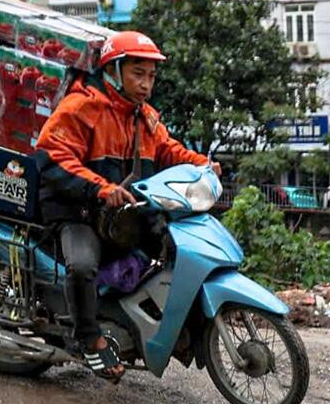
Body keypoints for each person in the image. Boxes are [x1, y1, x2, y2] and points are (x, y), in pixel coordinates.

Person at [35, 30, 218, 380]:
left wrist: (200, 164)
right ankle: (89, 338)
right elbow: (53, 154)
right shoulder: (82, 106)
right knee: (82, 266)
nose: (146, 84)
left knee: (170, 244)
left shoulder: (143, 117)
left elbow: (168, 150)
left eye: (151, 75)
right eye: (138, 73)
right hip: (78, 211)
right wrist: (100, 189)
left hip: (123, 214)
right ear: (115, 70)